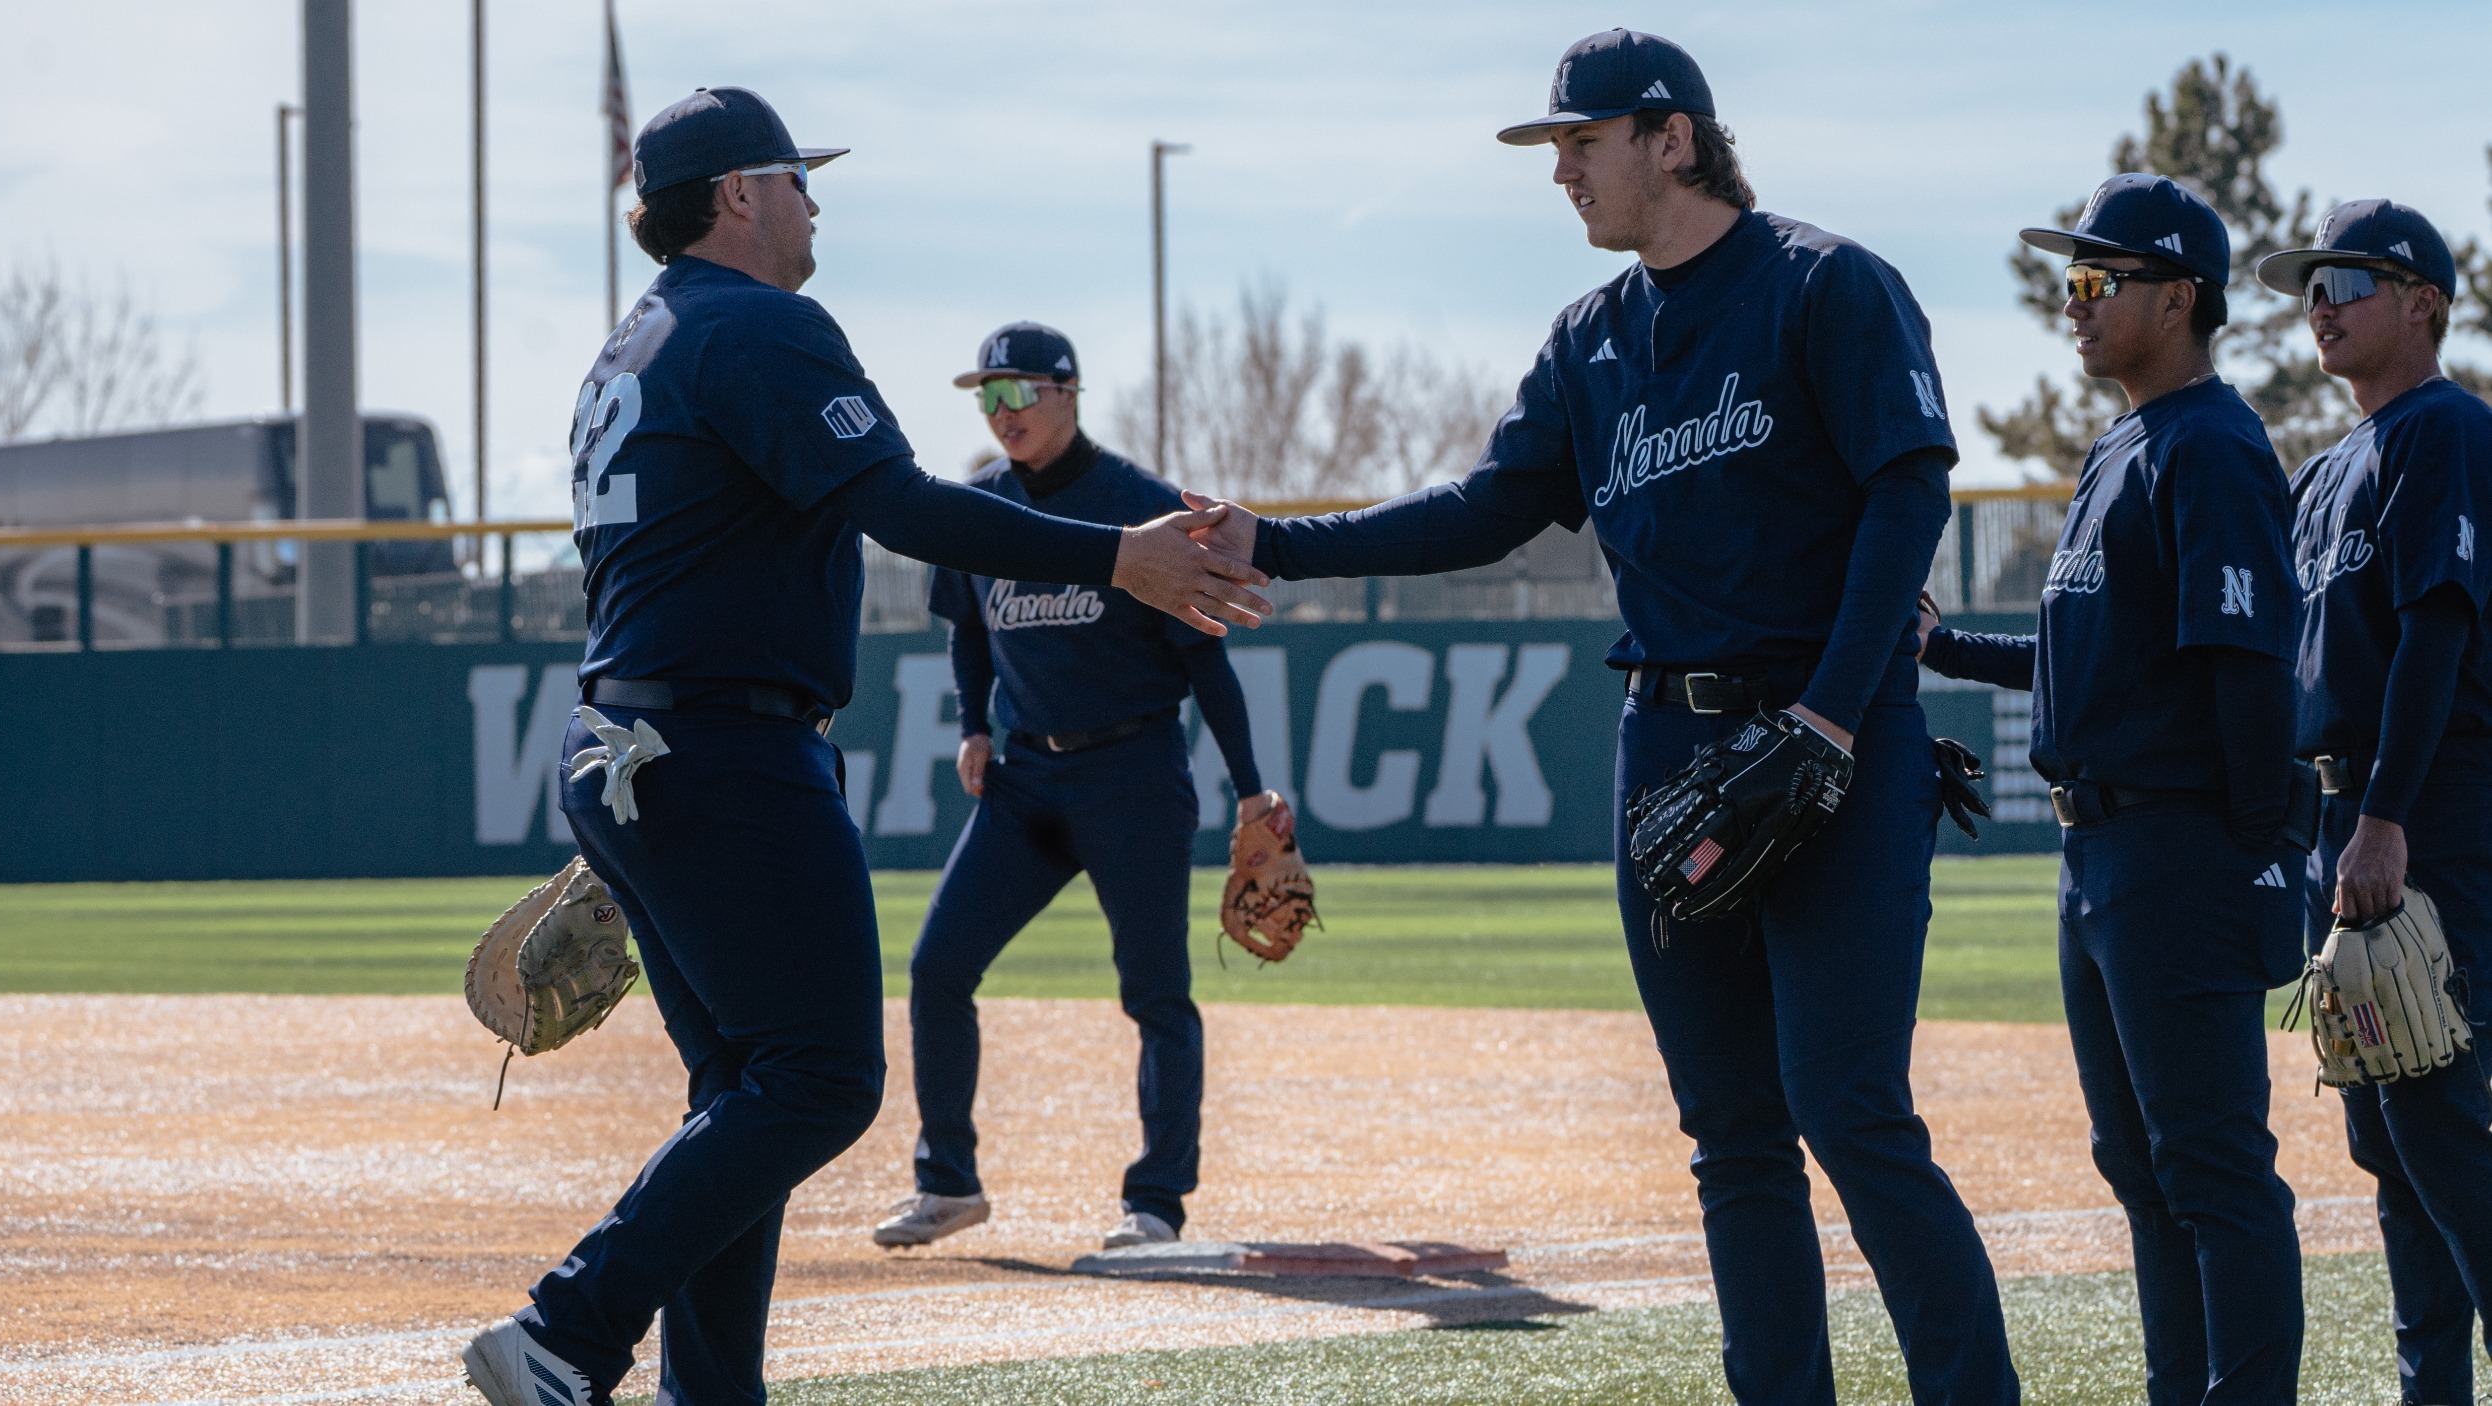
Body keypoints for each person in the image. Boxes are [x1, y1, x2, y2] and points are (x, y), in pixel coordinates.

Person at [1183, 30, 2015, 1404]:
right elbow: (1483, 512)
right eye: (1553, 148)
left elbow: (1907, 495)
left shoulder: (1828, 285)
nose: (1559, 170)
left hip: (1838, 743)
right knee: (1733, 1134)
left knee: (1853, 1111)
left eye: (1580, 141)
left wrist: (1828, 717)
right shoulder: (1591, 342)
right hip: (1672, 749)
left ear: (1670, 138)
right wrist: (1277, 540)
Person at [456, 87, 1268, 1406]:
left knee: (742, 1087)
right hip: (723, 748)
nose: (814, 201)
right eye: (796, 177)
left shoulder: (632, 346)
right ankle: (570, 1324)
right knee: (824, 1079)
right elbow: (901, 503)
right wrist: (1122, 556)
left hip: (628, 738)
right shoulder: (759, 324)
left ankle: (707, 1393)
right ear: (737, 194)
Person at [1915, 174, 2306, 1404]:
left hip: (2178, 850)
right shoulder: (2122, 445)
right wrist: (1942, 649)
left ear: (2180, 297)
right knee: (2141, 1165)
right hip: (2102, 858)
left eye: (2098, 280)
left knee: (2214, 1167)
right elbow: (2102, 656)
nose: (2070, 303)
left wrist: (2257, 855)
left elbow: (2247, 678)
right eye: (2065, 281)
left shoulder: (2214, 448)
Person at [870, 322, 1274, 1252]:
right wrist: (974, 721)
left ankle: (1156, 1204)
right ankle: (948, 1182)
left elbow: (1207, 659)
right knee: (938, 968)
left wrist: (1251, 789)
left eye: (1017, 393)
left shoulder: (1138, 506)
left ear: (1068, 393)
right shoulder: (978, 508)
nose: (1001, 412)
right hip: (1028, 778)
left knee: (1155, 992)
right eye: (987, 396)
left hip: (1132, 773)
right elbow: (966, 626)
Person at [2260, 200, 2492, 1405]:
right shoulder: (2320, 472)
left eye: (2348, 276)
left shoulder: (2445, 429)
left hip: (2427, 810)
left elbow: (2434, 632)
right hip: (2338, 825)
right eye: (2309, 282)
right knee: (2384, 1136)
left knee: (2436, 1117)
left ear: (2423, 303)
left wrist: (2388, 816)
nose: (2320, 300)